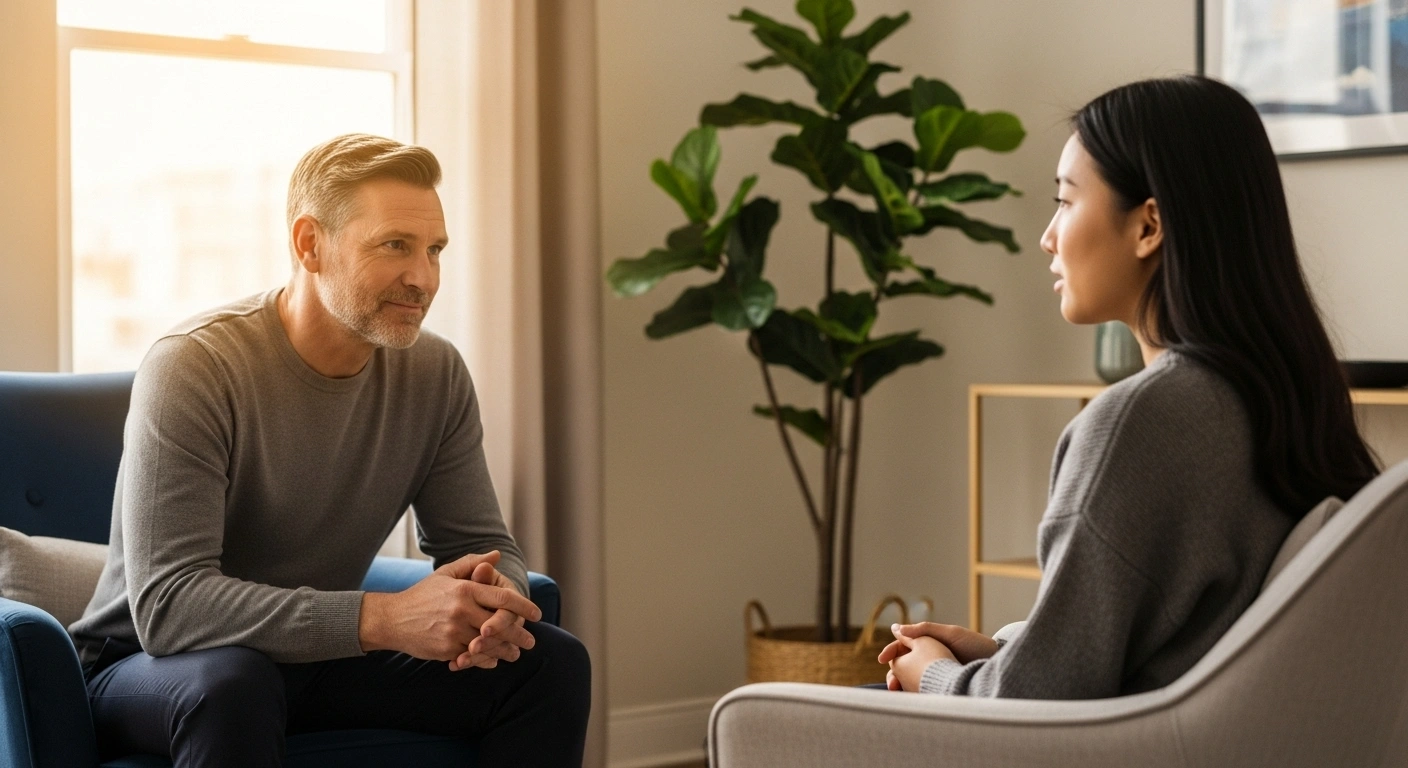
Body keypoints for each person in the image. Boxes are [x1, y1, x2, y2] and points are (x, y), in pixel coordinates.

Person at [68, 134, 591, 766]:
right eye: (395, 245)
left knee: (552, 664)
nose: (422, 277)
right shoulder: (194, 366)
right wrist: (383, 619)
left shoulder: (435, 373)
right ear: (310, 244)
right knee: (235, 684)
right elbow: (170, 606)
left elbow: (484, 545)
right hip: (152, 668)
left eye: (434, 250)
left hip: (316, 660)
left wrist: (492, 606)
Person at [878, 76, 1380, 698]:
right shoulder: (1285, 397)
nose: (1048, 237)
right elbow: (1182, 644)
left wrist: (929, 673)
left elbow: (1029, 708)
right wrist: (1008, 649)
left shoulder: (1141, 422)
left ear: (1148, 227)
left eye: (1065, 201)